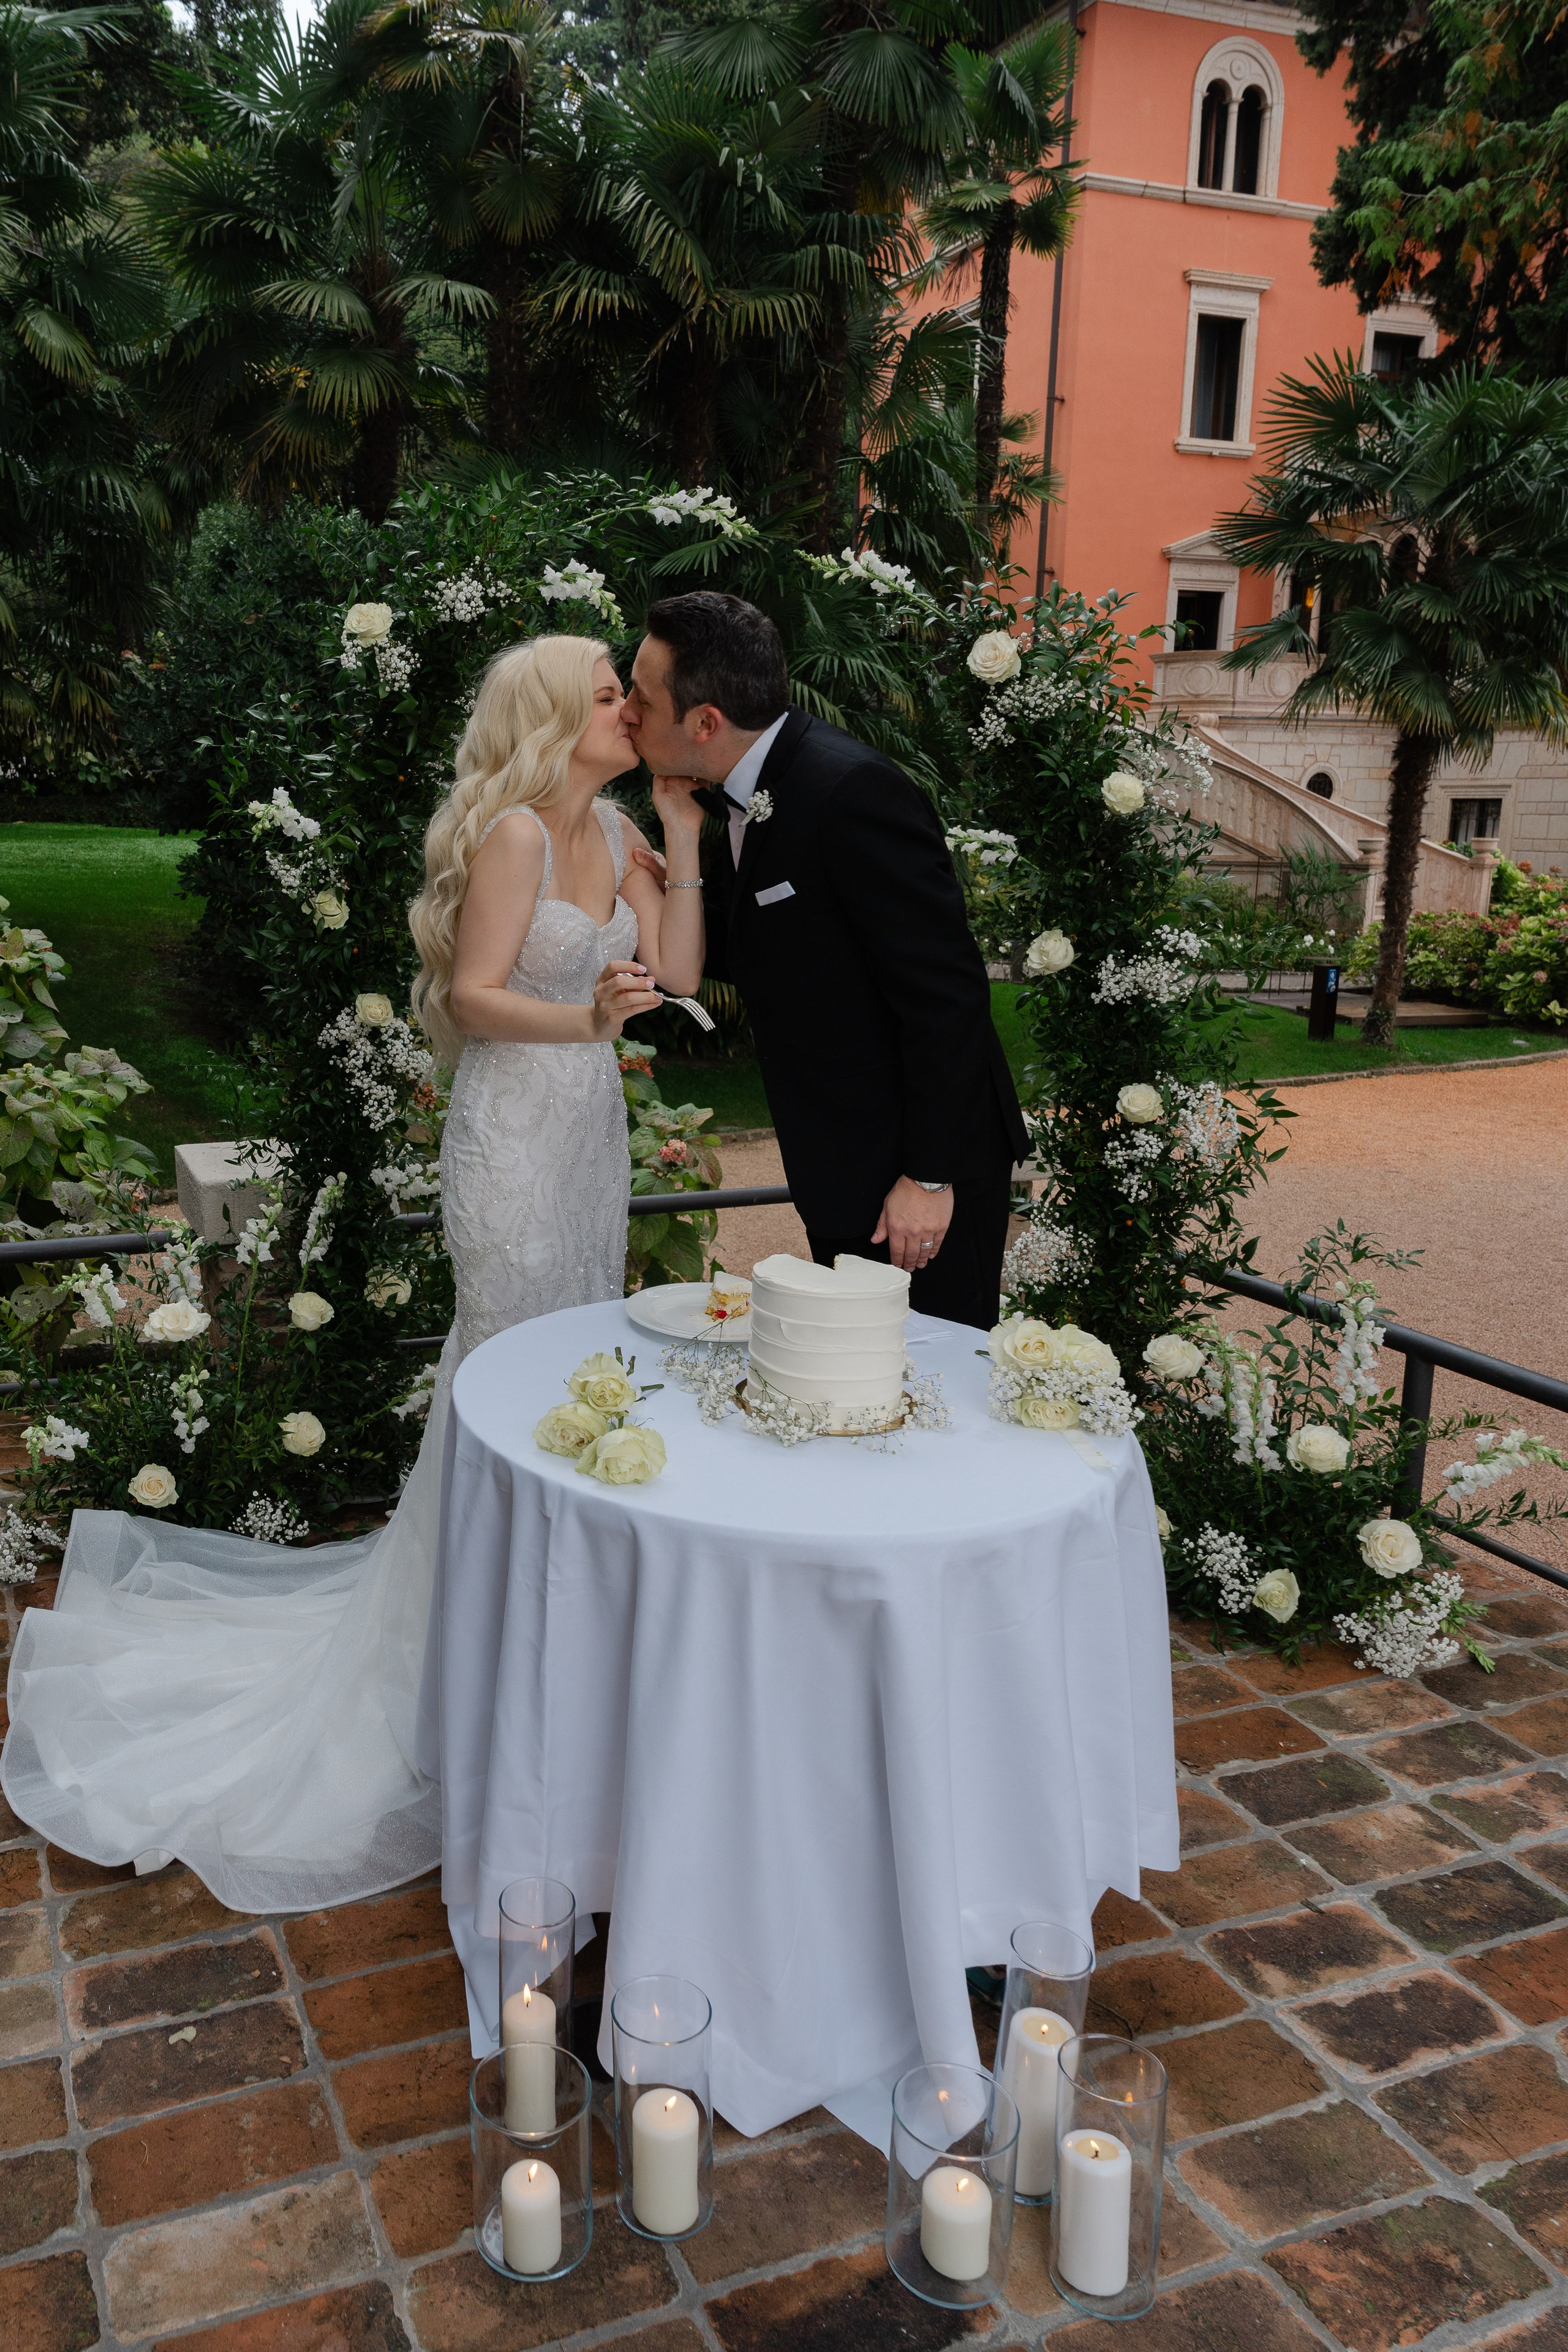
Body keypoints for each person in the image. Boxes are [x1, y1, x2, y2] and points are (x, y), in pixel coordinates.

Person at [1, 635, 704, 1912]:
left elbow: (685, 976)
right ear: (555, 717)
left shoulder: (620, 828)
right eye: (610, 695)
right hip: (510, 1136)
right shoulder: (514, 838)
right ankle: (469, 1649)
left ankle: (548, 1627)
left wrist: (683, 840)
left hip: (589, 1140)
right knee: (502, 1366)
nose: (632, 708)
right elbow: (473, 996)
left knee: (575, 1365)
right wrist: (589, 1019)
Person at [625, 592, 1028, 1329]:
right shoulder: (738, 791)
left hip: (912, 1168)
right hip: (840, 1157)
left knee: (933, 1367)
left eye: (641, 699)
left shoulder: (851, 791)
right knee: (854, 1366)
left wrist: (928, 1177)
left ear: (705, 722)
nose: (627, 713)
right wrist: (661, 882)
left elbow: (947, 995)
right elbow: (776, 945)